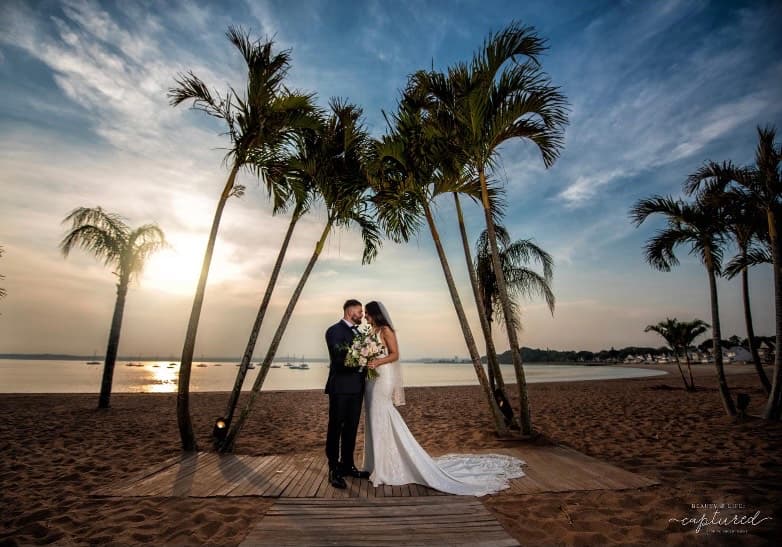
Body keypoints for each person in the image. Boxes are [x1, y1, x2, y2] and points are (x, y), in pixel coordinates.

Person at [362, 300, 525, 496]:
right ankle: (374, 463)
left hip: (383, 376)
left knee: (382, 412)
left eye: (367, 314)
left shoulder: (386, 330)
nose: (364, 317)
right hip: (372, 378)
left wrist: (377, 360)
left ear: (374, 313)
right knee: (372, 416)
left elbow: (395, 355)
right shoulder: (371, 332)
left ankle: (386, 465)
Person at [324, 299, 371, 489]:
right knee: (336, 427)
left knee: (351, 428)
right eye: (359, 312)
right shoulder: (334, 331)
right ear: (350, 311)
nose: (361, 315)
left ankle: (348, 465)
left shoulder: (359, 332)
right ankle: (334, 469)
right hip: (341, 387)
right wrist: (363, 357)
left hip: (357, 388)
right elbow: (339, 358)